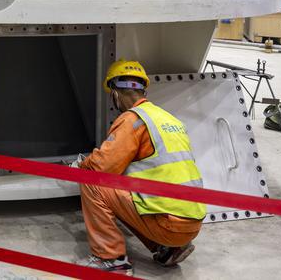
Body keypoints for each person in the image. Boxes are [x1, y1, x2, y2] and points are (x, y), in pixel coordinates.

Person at [76, 60, 205, 275]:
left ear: (115, 94)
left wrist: (82, 165)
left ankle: (111, 259)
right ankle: (168, 249)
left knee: (92, 182)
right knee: (132, 193)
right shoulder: (167, 118)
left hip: (168, 223)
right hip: (192, 222)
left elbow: (103, 167)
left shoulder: (133, 120)